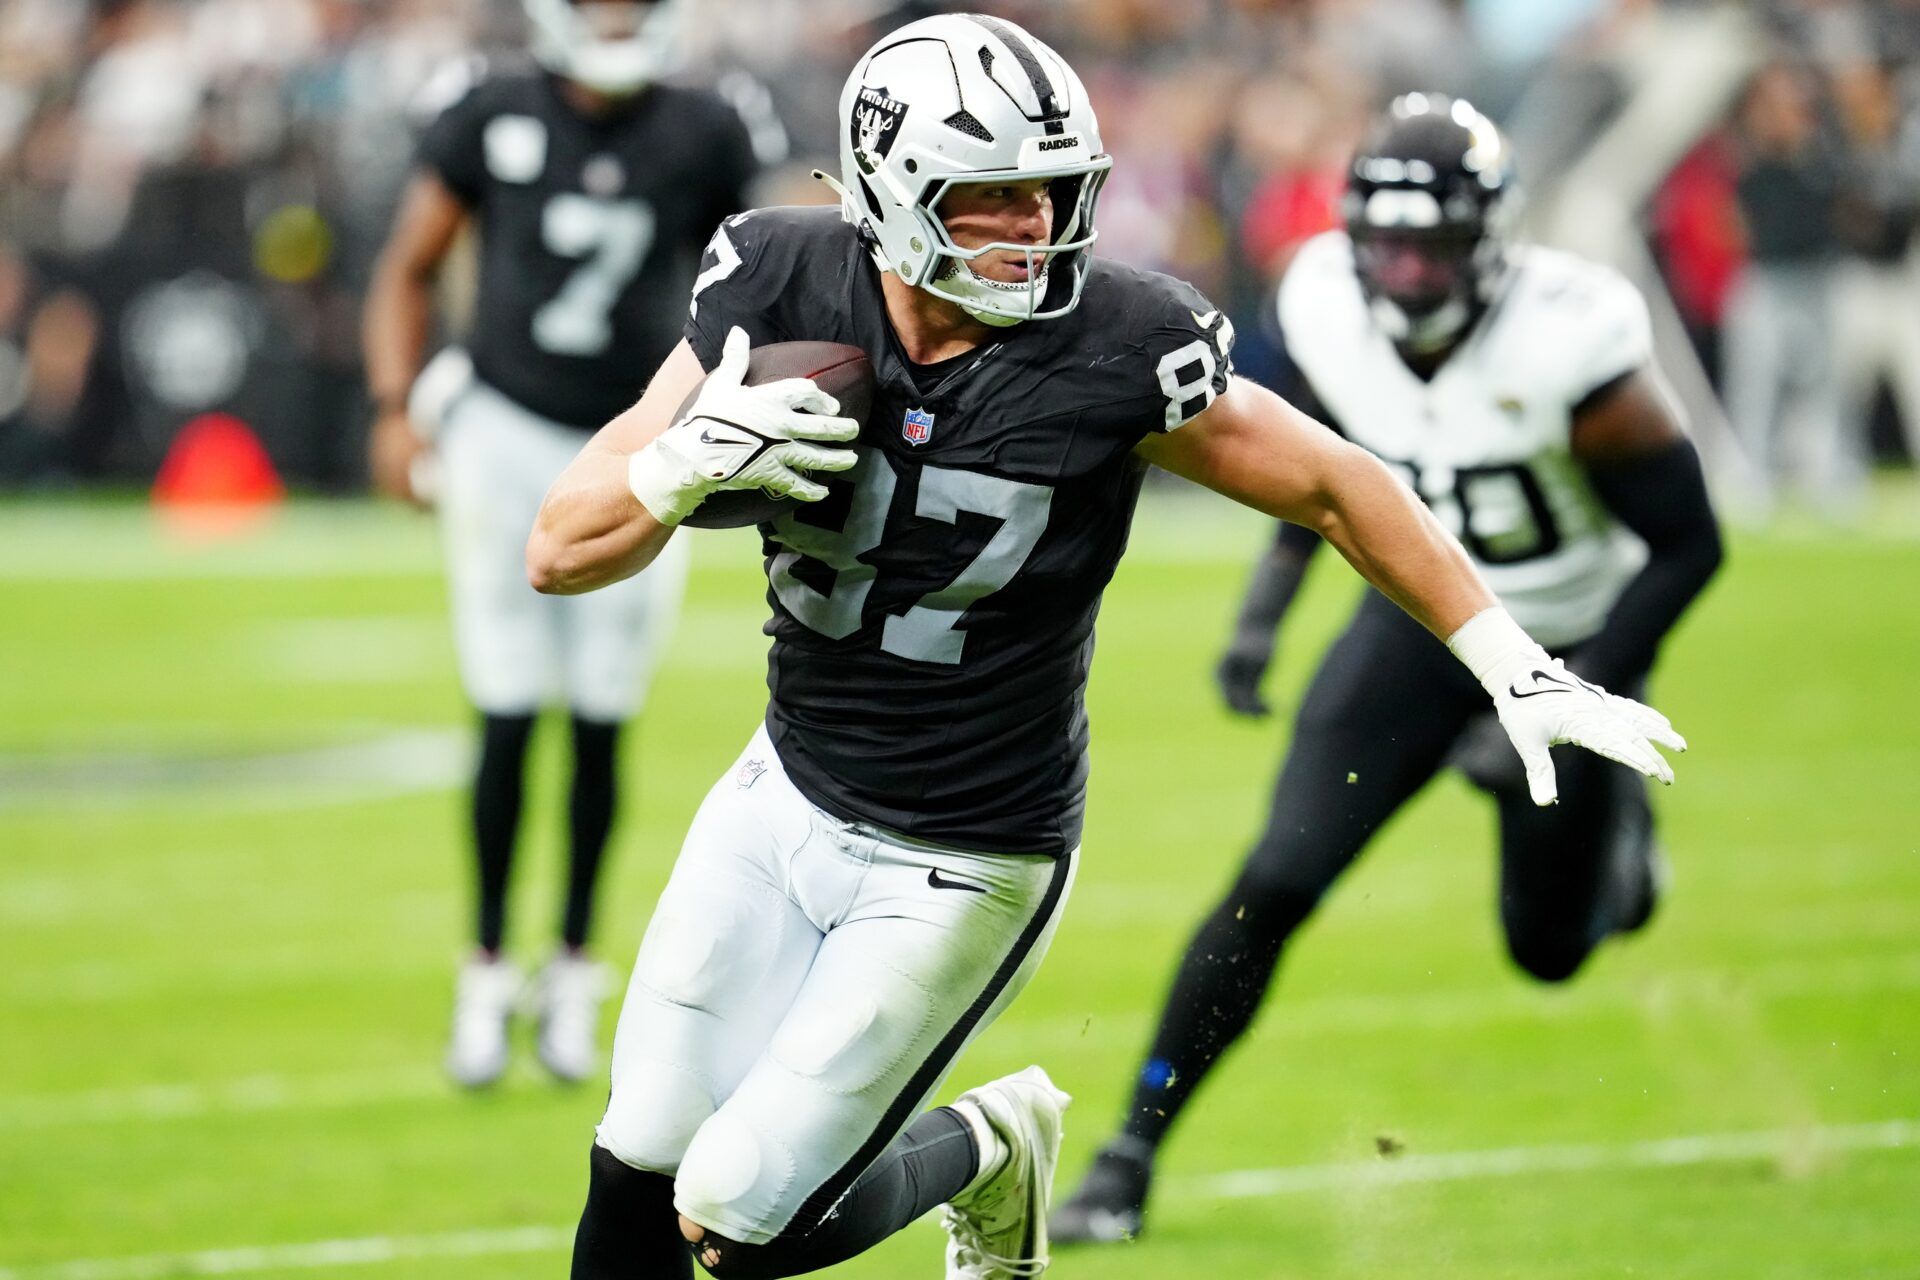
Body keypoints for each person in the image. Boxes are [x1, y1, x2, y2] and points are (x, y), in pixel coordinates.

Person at [527, 24, 1683, 1280]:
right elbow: (559, 546)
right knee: (637, 1159)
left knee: (743, 1215)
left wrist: (1509, 658)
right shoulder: (777, 279)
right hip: (782, 791)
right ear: (891, 193)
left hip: (964, 850)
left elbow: (1339, 484)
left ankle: (992, 1143)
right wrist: (675, 467)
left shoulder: (1120, 342)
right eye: (991, 196)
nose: (1034, 225)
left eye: (1051, 189)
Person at [1051, 93, 1724, 1247]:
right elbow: (1316, 464)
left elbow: (1688, 542)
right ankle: (1127, 1155)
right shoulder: (1321, 296)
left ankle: (1619, 858)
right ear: (1354, 237)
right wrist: (1265, 612)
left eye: (1437, 246)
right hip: (1420, 626)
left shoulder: (1575, 336)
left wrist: (1582, 686)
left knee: (1550, 952)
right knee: (1273, 880)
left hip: (1565, 637)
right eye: (1390, 245)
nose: (1409, 273)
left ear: (1491, 240)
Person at [360, 0, 761, 1088]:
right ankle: (487, 965)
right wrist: (397, 404)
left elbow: (762, 282)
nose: (621, 18)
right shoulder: (491, 110)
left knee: (602, 717)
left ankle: (574, 964)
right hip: (499, 428)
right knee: (503, 704)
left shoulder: (707, 127)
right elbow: (409, 263)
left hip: (635, 434)